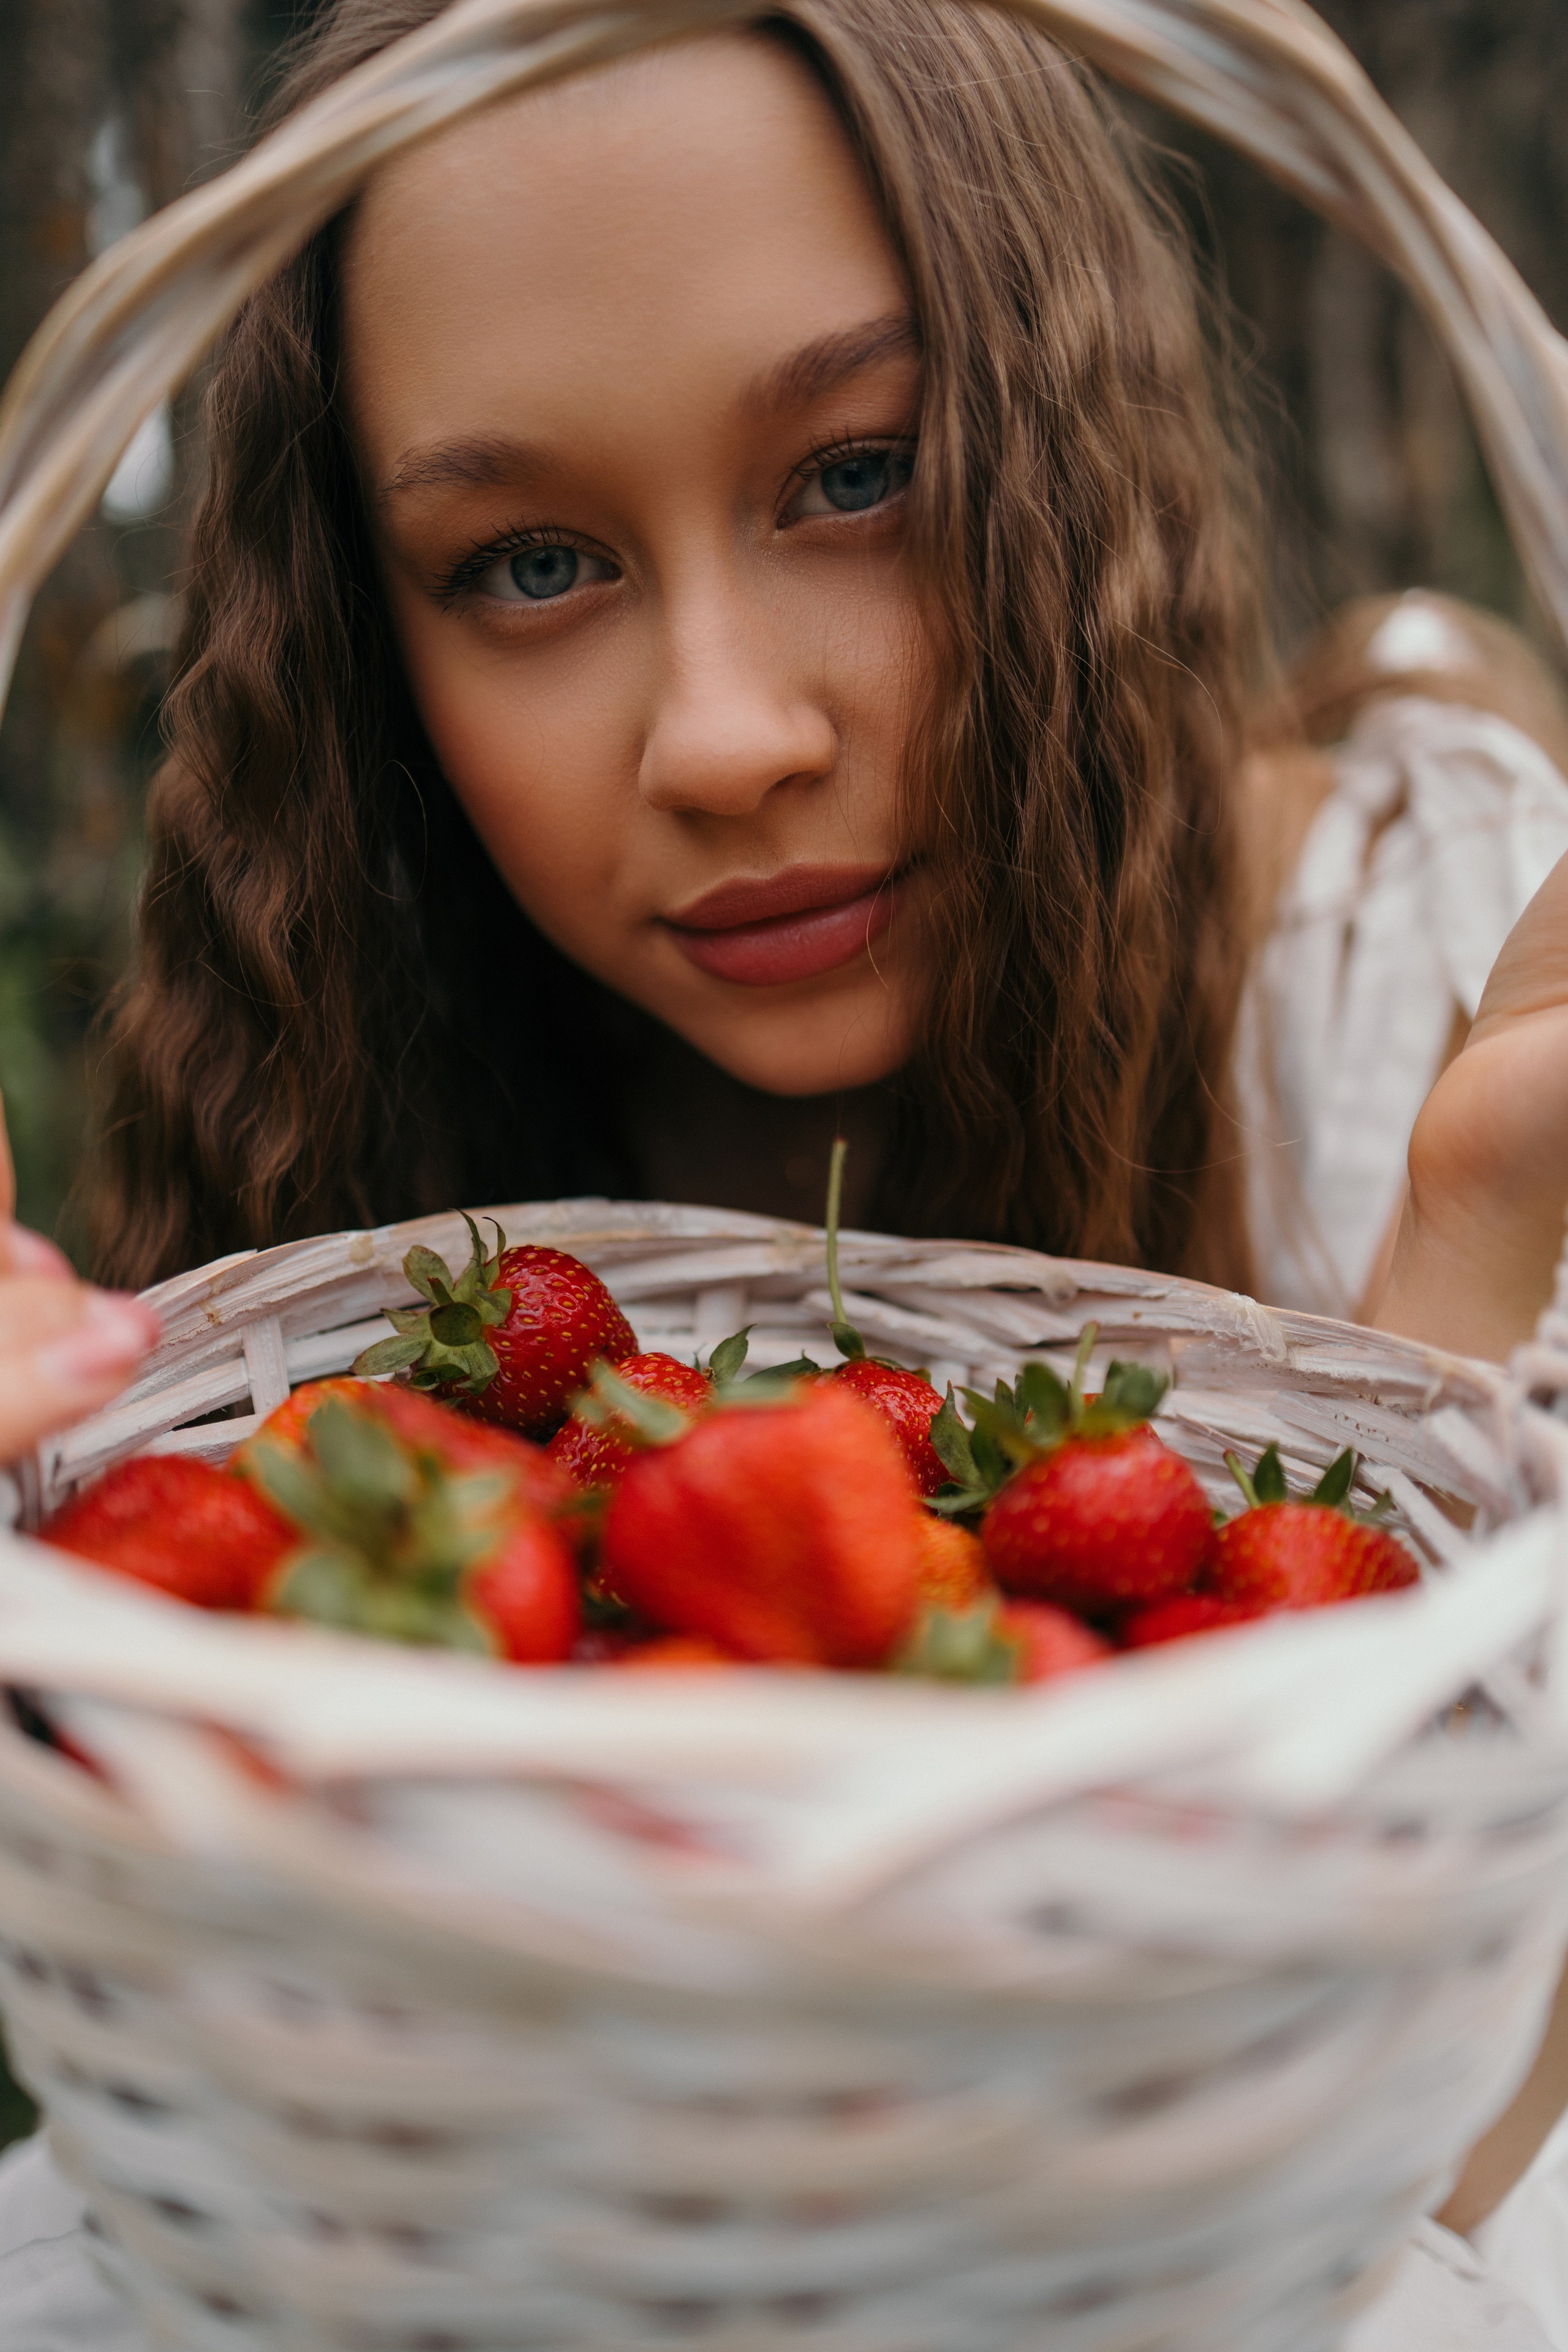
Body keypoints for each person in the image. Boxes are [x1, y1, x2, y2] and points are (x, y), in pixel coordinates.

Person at [1, 1, 1568, 2343]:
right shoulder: (363, 1135)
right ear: (369, 635)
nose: (730, 737)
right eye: (530, 563)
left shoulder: (1425, 974)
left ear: (1062, 436)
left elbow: (1423, 2159)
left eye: (858, 474)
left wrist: (1468, 1235)